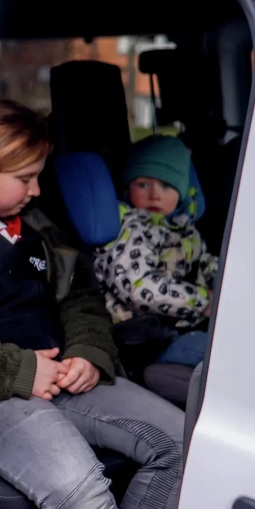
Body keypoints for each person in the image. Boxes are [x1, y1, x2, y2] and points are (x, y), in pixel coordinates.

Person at [0, 101, 184, 509]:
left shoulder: (37, 227)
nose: (35, 190)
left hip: (63, 375)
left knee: (182, 447)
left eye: (37, 177)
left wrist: (88, 352)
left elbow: (82, 298)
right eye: (25, 179)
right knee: (81, 490)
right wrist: (21, 370)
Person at [93, 135, 219, 368]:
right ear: (127, 188)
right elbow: (138, 287)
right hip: (141, 341)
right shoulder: (131, 229)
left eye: (167, 185)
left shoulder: (182, 229)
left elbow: (204, 262)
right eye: (143, 184)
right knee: (221, 360)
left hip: (176, 327)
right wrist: (202, 301)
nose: (155, 195)